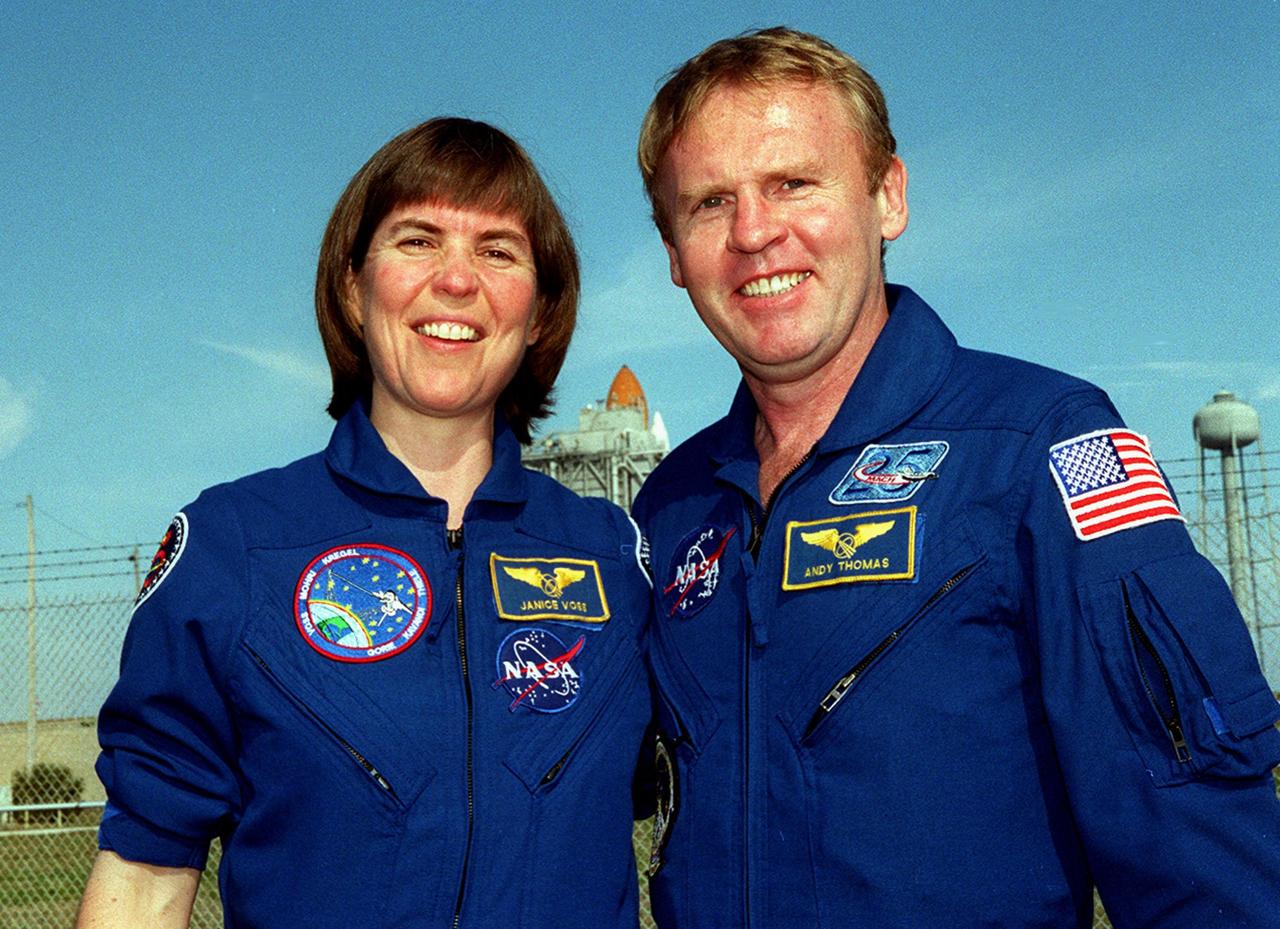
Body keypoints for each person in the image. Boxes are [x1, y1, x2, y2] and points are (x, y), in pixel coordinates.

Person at [631, 26, 1280, 929]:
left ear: (887, 197)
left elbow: (1200, 866)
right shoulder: (668, 510)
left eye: (793, 183)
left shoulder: (1036, 446)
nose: (754, 232)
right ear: (673, 252)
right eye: (709, 202)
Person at [77, 117, 652, 928]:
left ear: (540, 311)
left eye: (497, 250)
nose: (457, 280)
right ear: (353, 287)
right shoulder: (235, 546)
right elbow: (142, 880)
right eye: (417, 240)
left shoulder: (619, 560)